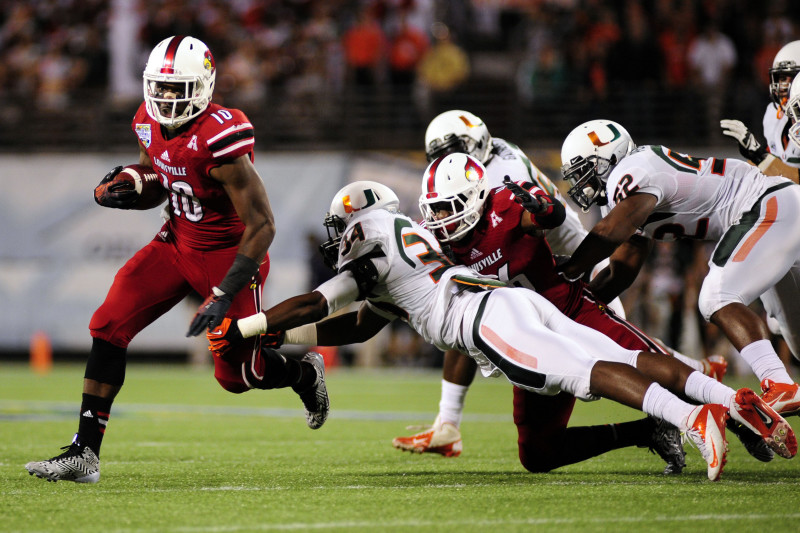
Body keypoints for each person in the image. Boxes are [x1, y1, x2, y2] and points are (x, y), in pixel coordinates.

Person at [207, 179, 796, 481]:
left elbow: (316, 301)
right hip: (511, 302)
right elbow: (359, 329)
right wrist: (272, 339)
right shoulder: (404, 254)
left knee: (587, 371)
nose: (340, 236)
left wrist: (247, 326)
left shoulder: (377, 243)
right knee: (610, 357)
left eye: (343, 226)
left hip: (485, 320)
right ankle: (730, 400)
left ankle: (693, 420)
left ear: (361, 220)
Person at [25, 36, 329, 484]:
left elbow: (263, 224)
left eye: (177, 89)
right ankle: (84, 452)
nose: (166, 99)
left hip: (229, 257)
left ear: (204, 86)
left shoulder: (220, 136)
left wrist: (225, 293)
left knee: (238, 376)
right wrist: (129, 186)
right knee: (108, 324)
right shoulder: (147, 119)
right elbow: (158, 179)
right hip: (175, 243)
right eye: (160, 88)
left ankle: (304, 374)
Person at [394, 110, 723, 462]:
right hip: (528, 306)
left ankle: (721, 400)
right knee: (537, 451)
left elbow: (546, 216)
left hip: (571, 276)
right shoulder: (476, 169)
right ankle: (670, 408)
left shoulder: (502, 179)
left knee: (623, 360)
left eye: (455, 148)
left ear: (477, 142)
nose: (446, 160)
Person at [557, 118, 800, 419]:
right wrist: (577, 303)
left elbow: (608, 233)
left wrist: (567, 270)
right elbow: (622, 269)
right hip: (779, 210)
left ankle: (779, 384)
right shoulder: (624, 198)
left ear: (607, 158)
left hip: (767, 205)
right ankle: (786, 386)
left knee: (717, 296)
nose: (582, 183)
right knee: (796, 336)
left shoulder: (633, 168)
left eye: (585, 171)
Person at [720, 40, 800, 182]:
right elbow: (770, 162)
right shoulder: (774, 115)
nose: (782, 86)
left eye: (790, 78)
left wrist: (759, 156)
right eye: (780, 78)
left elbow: (795, 180)